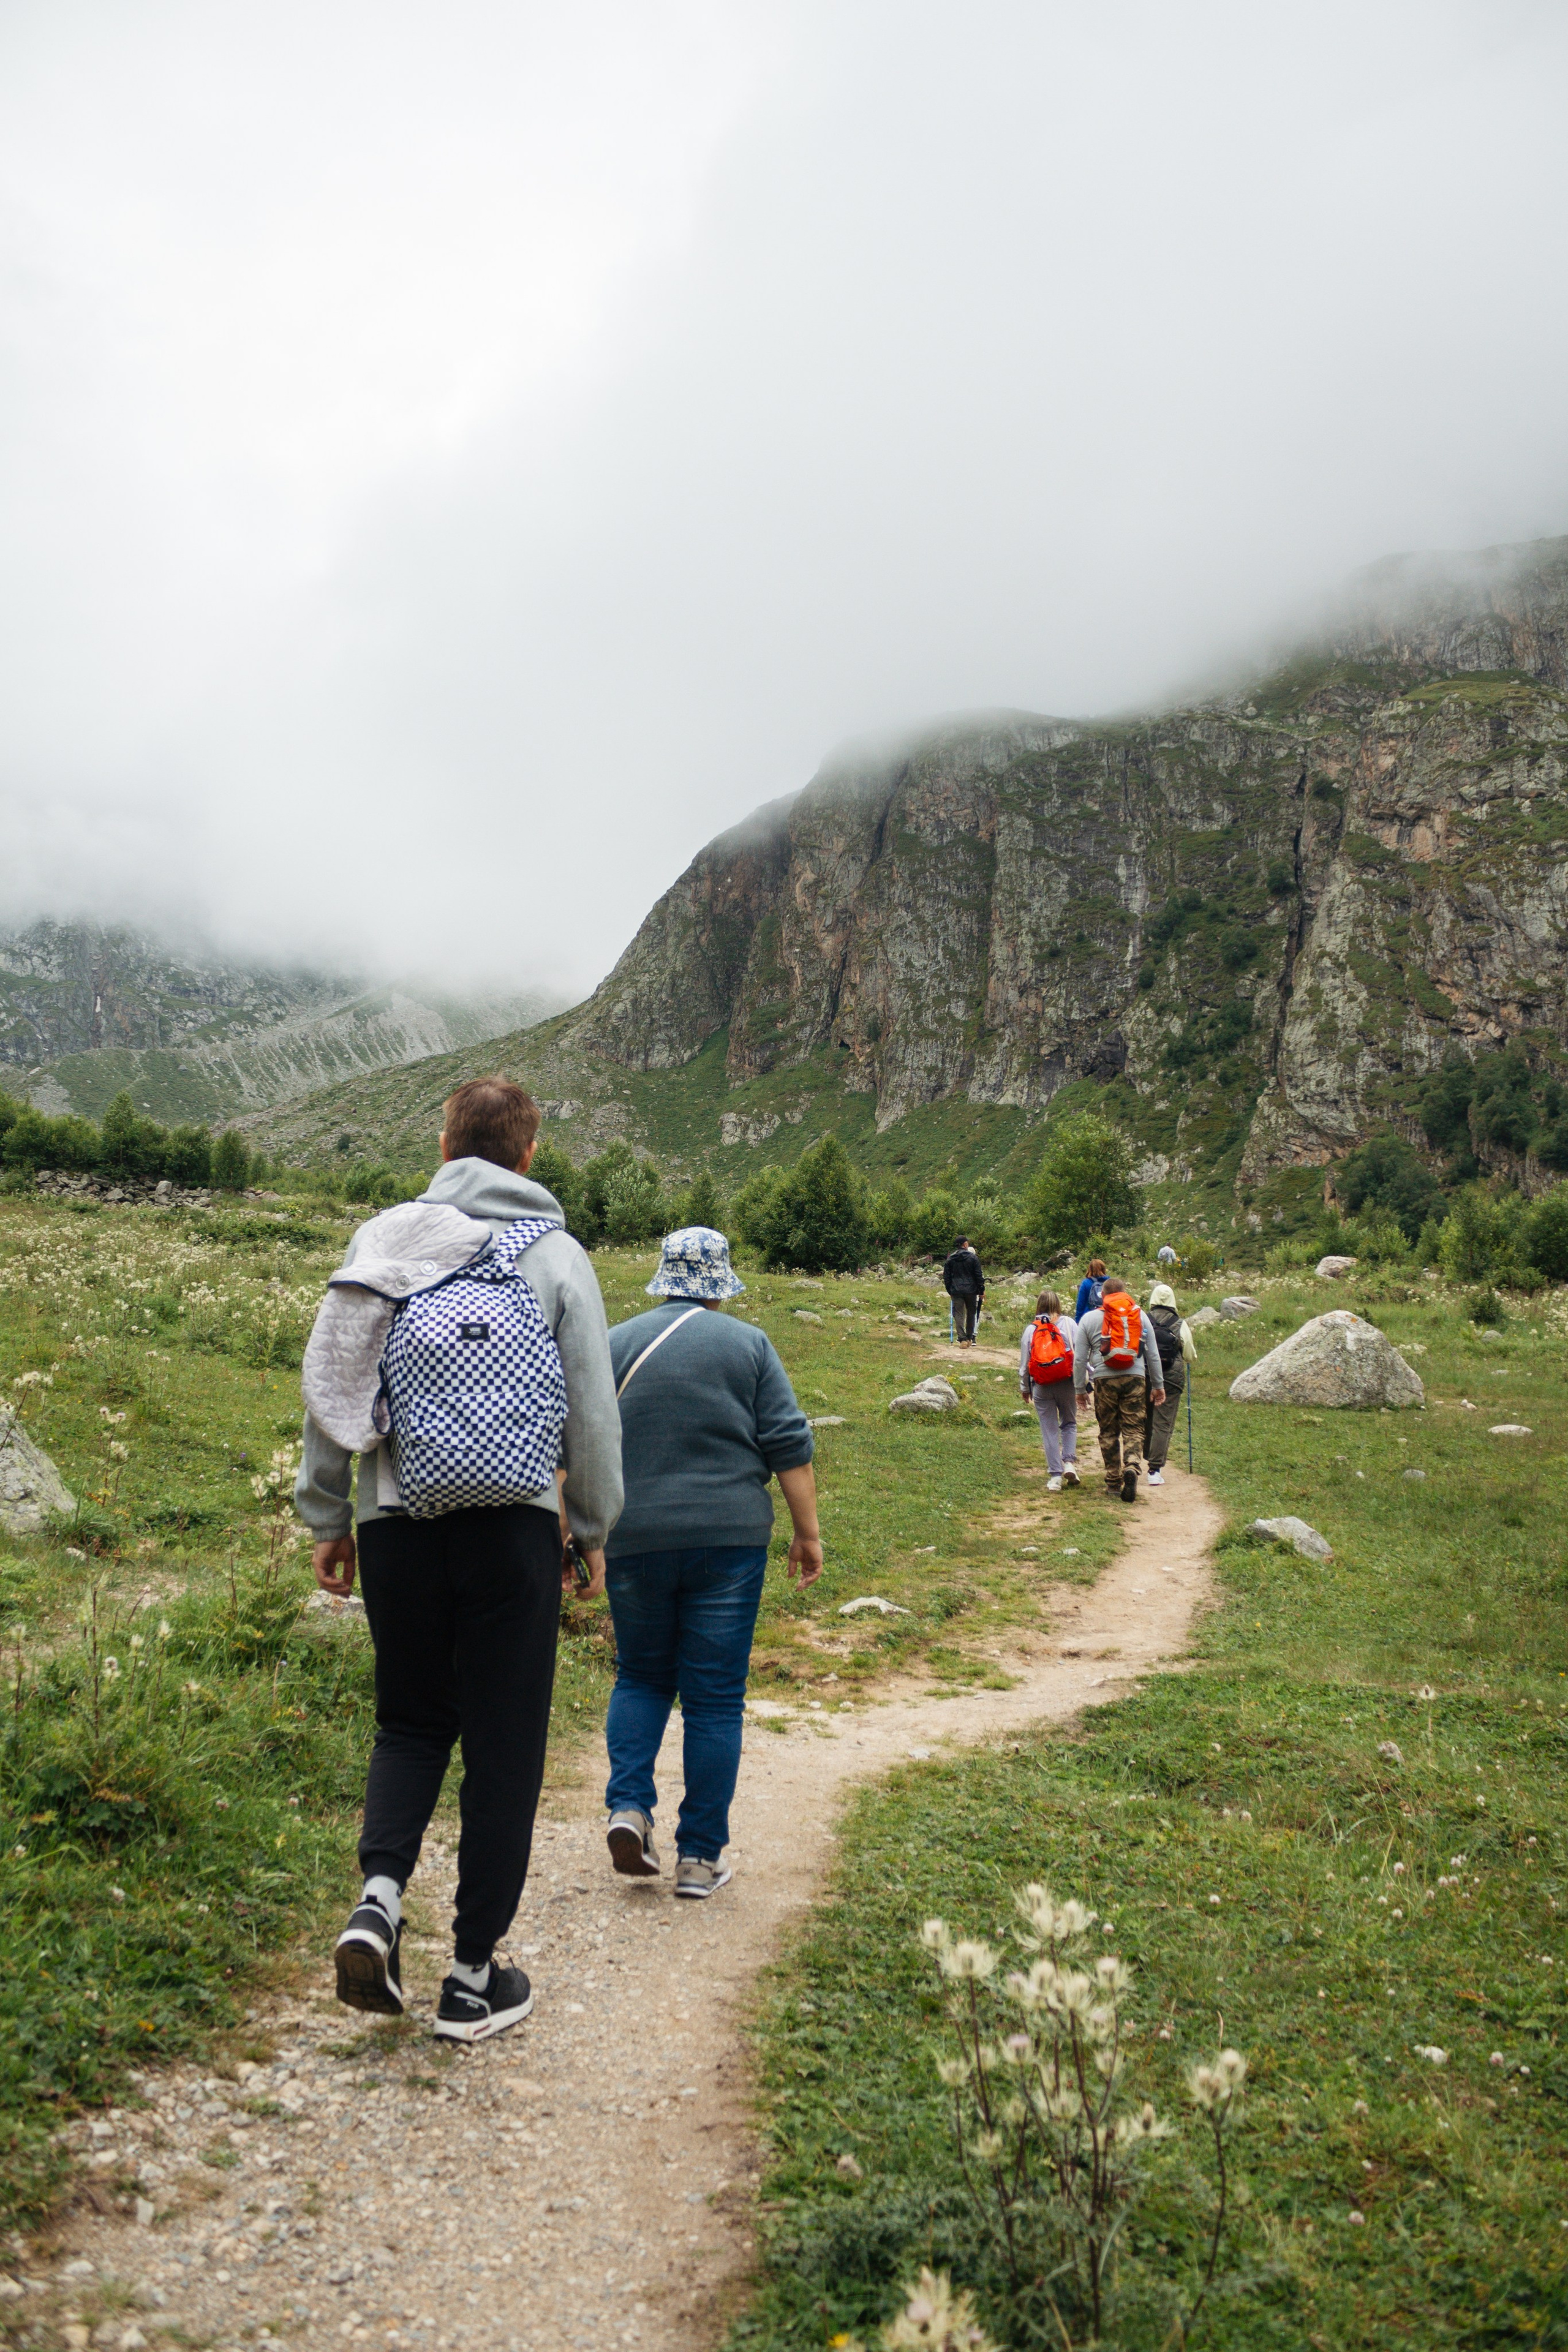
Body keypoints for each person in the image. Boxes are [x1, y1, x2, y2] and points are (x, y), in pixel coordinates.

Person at [296, 1077, 623, 2041]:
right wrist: (592, 1529)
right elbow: (593, 1411)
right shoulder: (555, 1254)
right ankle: (474, 1981)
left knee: (409, 1722)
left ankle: (380, 1902)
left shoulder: (385, 1237)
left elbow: (333, 1379)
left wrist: (328, 1514)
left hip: (395, 1523)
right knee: (505, 1745)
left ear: (443, 1147)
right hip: (513, 1527)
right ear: (529, 1155)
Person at [602, 1227, 822, 1898]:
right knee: (715, 1697)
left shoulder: (616, 1343)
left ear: (663, 1277)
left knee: (641, 1677)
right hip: (729, 1541)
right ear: (721, 1285)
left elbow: (579, 1444)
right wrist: (807, 1533)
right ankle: (698, 1857)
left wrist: (575, 1536)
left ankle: (629, 1807)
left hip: (633, 1537)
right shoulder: (749, 1345)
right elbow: (787, 1442)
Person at [1072, 1273, 1165, 1502]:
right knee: (1134, 1427)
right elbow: (1153, 1354)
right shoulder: (1139, 1315)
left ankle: (1114, 1482)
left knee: (1108, 1430)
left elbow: (1080, 1359)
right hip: (1135, 1377)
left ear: (1102, 1296)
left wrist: (1080, 1389)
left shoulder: (1089, 1319)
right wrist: (1158, 1385)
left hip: (1104, 1380)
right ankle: (1131, 1465)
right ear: (1124, 1293)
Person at [1018, 1287, 1079, 1491]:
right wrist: (1082, 1384)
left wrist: (1025, 1388)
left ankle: (1055, 1476)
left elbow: (1025, 1364)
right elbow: (1080, 1355)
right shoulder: (1069, 1324)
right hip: (1066, 1382)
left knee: (1049, 1429)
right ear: (1058, 1305)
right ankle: (1069, 1463)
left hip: (1042, 1385)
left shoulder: (1031, 1330)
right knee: (1069, 1423)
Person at [1144, 1281, 1196, 1487]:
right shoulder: (1180, 1323)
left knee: (1145, 1420)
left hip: (1145, 1376)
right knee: (1163, 1423)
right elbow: (1189, 1355)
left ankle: (1137, 1460)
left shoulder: (1144, 1319)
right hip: (1171, 1380)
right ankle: (1154, 1470)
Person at [943, 1234, 986, 1344]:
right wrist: (981, 1290)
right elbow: (979, 1275)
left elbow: (947, 1277)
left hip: (956, 1290)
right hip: (971, 1291)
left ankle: (962, 1339)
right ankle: (970, 1337)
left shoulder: (950, 1259)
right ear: (965, 1245)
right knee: (971, 1313)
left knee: (959, 1314)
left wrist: (950, 1290)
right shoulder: (973, 1258)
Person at [1074, 1257, 1107, 1322]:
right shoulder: (1109, 1282)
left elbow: (1080, 1304)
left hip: (1089, 1317)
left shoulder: (1086, 1283)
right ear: (1103, 1269)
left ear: (1090, 1269)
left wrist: (1078, 1320)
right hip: (1106, 1317)